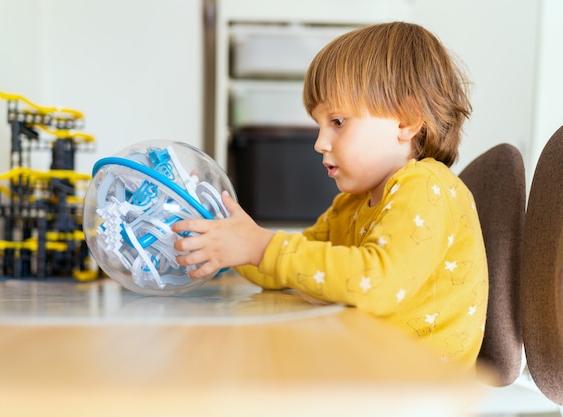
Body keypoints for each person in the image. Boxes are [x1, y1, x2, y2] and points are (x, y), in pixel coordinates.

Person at [172, 21, 488, 369]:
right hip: (368, 366)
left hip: (412, 385)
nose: (320, 143)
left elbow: (376, 283)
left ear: (407, 122)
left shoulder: (426, 187)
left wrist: (261, 247)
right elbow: (288, 269)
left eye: (337, 122)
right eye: (319, 126)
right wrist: (231, 238)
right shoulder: (350, 205)